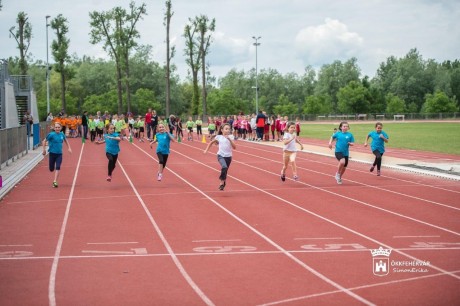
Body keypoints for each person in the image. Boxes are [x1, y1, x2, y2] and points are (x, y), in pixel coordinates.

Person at [203, 123, 236, 191]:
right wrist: (206, 150)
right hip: (220, 155)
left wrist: (229, 139)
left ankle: (223, 182)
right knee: (224, 167)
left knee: (225, 170)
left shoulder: (231, 137)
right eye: (226, 129)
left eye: (229, 129)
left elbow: (234, 147)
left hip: (228, 157)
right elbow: (211, 143)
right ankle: (221, 182)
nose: (228, 130)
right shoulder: (219, 137)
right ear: (222, 130)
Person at [42, 122, 72, 188]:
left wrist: (69, 148)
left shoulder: (62, 134)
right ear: (54, 128)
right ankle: (52, 171)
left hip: (59, 154)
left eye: (58, 127)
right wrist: (44, 150)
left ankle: (55, 181)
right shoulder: (51, 135)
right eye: (56, 127)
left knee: (58, 167)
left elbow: (66, 140)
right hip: (52, 154)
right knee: (51, 169)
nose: (57, 128)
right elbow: (44, 141)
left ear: (61, 128)